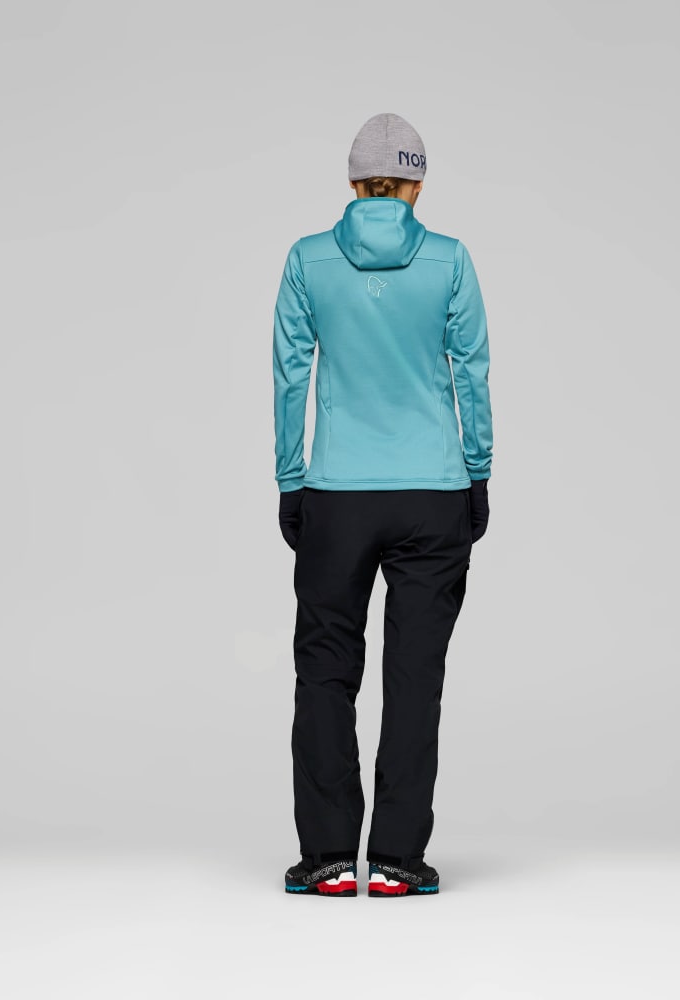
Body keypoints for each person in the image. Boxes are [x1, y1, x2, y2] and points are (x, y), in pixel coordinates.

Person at [272, 113, 493, 897]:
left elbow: (291, 376)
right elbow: (472, 373)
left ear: (353, 181)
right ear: (417, 185)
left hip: (336, 496)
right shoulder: (449, 260)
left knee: (325, 672)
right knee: (414, 677)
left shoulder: (308, 260)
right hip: (432, 494)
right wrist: (477, 473)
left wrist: (290, 479)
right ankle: (398, 860)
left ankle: (329, 859)